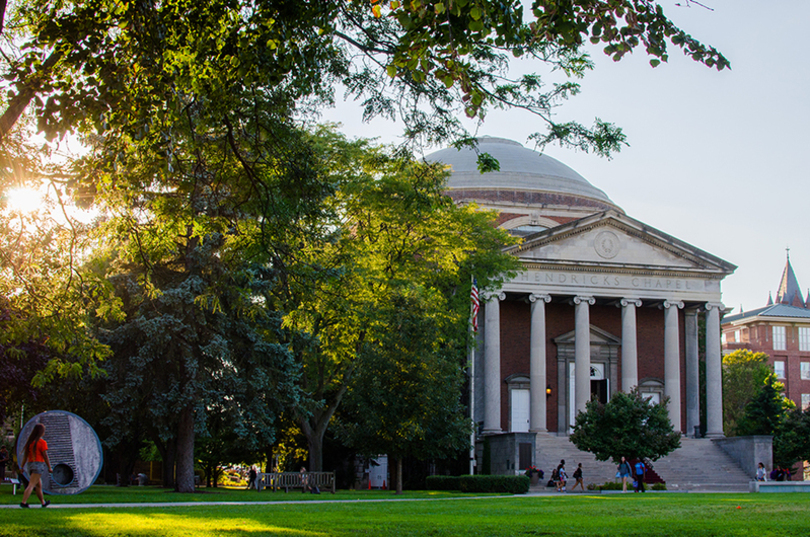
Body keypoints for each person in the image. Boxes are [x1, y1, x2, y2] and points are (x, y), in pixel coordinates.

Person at [19, 423, 52, 508]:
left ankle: (43, 503)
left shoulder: (30, 442)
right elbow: (45, 456)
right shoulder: (42, 442)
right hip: (38, 465)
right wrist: (49, 467)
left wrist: (22, 467)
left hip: (30, 465)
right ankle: (23, 502)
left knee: (38, 485)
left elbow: (25, 456)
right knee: (32, 484)